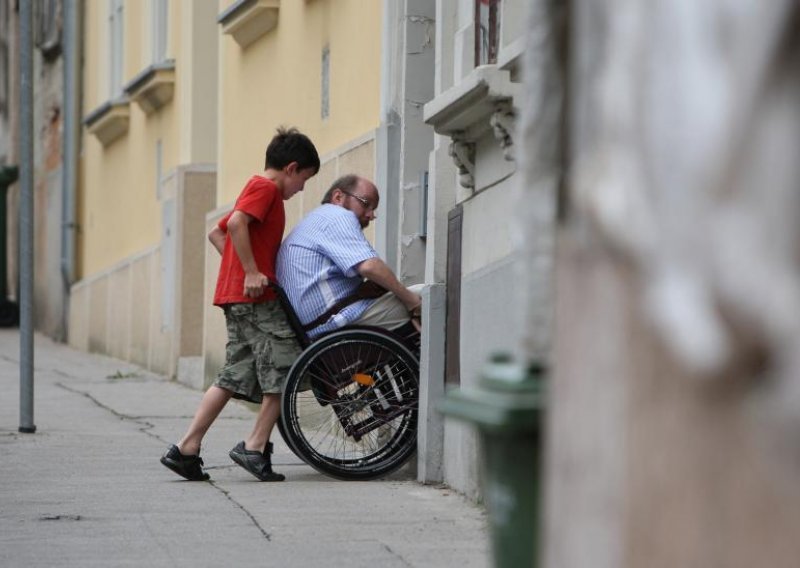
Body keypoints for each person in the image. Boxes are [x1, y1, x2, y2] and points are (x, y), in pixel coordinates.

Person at [160, 127, 320, 482]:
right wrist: (250, 271)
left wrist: (239, 270)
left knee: (234, 373)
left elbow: (218, 232)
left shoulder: (256, 189)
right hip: (257, 299)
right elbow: (234, 224)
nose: (302, 189)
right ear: (292, 168)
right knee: (288, 365)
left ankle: (186, 448)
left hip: (238, 297)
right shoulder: (265, 189)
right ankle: (254, 446)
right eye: (304, 179)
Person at [276, 174, 422, 341]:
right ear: (338, 197)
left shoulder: (314, 220)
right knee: (428, 296)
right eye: (366, 203)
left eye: (374, 209)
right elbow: (369, 267)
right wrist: (413, 303)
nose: (371, 215)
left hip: (315, 327)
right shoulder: (337, 216)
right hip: (338, 321)